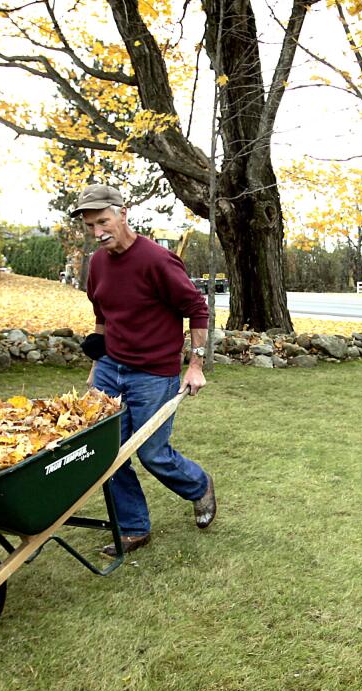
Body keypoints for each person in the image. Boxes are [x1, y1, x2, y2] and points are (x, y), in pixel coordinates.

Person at [70, 184, 216, 556]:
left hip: (153, 373)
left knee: (152, 452)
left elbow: (197, 309)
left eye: (103, 221)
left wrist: (195, 364)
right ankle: (134, 527)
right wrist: (96, 364)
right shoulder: (98, 263)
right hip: (110, 370)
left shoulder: (157, 260)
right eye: (90, 226)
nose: (98, 232)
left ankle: (198, 485)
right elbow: (102, 316)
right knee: (108, 453)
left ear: (123, 213)